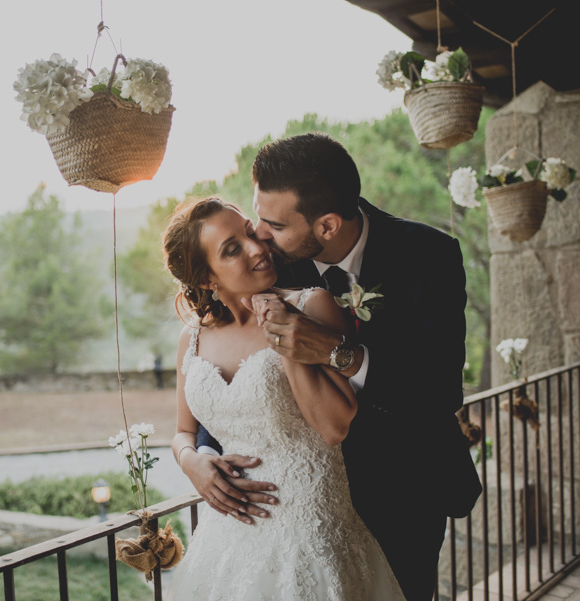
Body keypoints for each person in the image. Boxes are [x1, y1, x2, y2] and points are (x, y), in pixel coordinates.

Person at [185, 133, 481, 601]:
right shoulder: (273, 264)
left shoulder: (428, 256)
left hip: (406, 489)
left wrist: (335, 351)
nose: (259, 237)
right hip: (304, 505)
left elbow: (439, 392)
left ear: (325, 226)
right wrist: (198, 455)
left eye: (272, 224)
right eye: (256, 219)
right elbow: (235, 375)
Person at [164, 196, 406, 601]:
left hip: (312, 529)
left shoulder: (312, 305)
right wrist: (193, 464)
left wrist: (283, 329)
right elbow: (183, 432)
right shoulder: (193, 338)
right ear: (207, 278)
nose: (257, 248)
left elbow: (333, 427)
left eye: (247, 232)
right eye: (232, 249)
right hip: (228, 534)